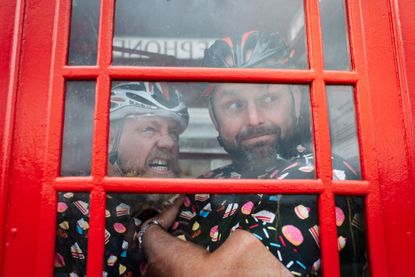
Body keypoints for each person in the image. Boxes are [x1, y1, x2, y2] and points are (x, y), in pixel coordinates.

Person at [139, 31, 366, 277]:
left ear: (296, 99)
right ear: (215, 117)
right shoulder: (206, 183)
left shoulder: (322, 176)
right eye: (234, 105)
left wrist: (149, 231)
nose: (254, 119)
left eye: (268, 98)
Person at [54, 82, 189, 277]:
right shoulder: (67, 210)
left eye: (173, 133)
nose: (169, 142)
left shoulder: (177, 208)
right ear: (108, 139)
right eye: (150, 129)